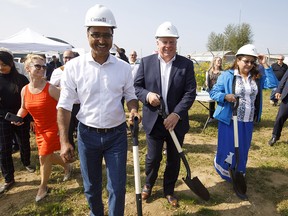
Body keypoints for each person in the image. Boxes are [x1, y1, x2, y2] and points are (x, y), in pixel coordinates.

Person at [57, 4, 140, 216]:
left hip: (116, 136)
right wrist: (64, 141)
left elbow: (130, 95)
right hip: (87, 135)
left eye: (107, 35)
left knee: (118, 188)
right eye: (96, 35)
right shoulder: (74, 67)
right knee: (92, 188)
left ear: (113, 36)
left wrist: (133, 110)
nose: (102, 40)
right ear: (87, 35)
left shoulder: (123, 67)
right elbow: (65, 106)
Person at [134, 21, 197, 207]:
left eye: (172, 42)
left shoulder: (186, 65)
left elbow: (190, 92)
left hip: (176, 122)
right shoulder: (146, 62)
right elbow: (137, 87)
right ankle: (148, 184)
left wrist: (176, 114)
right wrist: (147, 95)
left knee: (173, 159)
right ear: (157, 43)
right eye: (164, 42)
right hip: (154, 120)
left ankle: (169, 190)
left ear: (176, 43)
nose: (168, 46)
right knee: (153, 157)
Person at [209, 44, 278, 198]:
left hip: (247, 120)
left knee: (243, 148)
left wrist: (265, 64)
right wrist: (225, 96)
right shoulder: (227, 75)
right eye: (246, 61)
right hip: (229, 119)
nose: (249, 65)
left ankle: (239, 171)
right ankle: (225, 170)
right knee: (229, 147)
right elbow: (213, 92)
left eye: (252, 62)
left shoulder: (256, 76)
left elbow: (273, 84)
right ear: (237, 60)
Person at [15, 54, 71, 202]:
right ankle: (67, 165)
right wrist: (18, 117)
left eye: (44, 66)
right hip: (39, 130)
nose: (42, 69)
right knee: (48, 155)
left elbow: (66, 106)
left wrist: (64, 128)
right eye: (37, 66)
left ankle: (43, 187)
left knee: (43, 156)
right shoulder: (24, 90)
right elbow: (23, 108)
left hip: (54, 127)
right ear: (27, 68)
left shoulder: (50, 88)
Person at [0, 50, 36, 195]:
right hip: (3, 119)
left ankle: (26, 162)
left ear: (11, 64)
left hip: (21, 117)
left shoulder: (21, 79)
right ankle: (8, 178)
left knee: (24, 142)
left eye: (4, 64)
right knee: (4, 148)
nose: (1, 67)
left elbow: (29, 100)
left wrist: (30, 118)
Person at [50, 50, 79, 148]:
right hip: (67, 106)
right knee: (68, 129)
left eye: (70, 57)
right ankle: (70, 148)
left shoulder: (81, 70)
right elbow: (52, 88)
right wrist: (64, 89)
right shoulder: (58, 71)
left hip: (80, 105)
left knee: (81, 129)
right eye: (66, 57)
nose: (68, 60)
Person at [268, 68, 288, 146]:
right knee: (280, 117)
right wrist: (279, 90)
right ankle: (275, 136)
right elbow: (284, 78)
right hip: (287, 97)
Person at [205, 57, 223, 121]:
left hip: (220, 91)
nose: (220, 62)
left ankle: (220, 116)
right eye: (218, 61)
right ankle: (211, 117)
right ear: (214, 62)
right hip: (211, 90)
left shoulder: (222, 72)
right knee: (211, 104)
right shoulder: (209, 72)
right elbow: (207, 81)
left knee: (220, 104)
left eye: (220, 61)